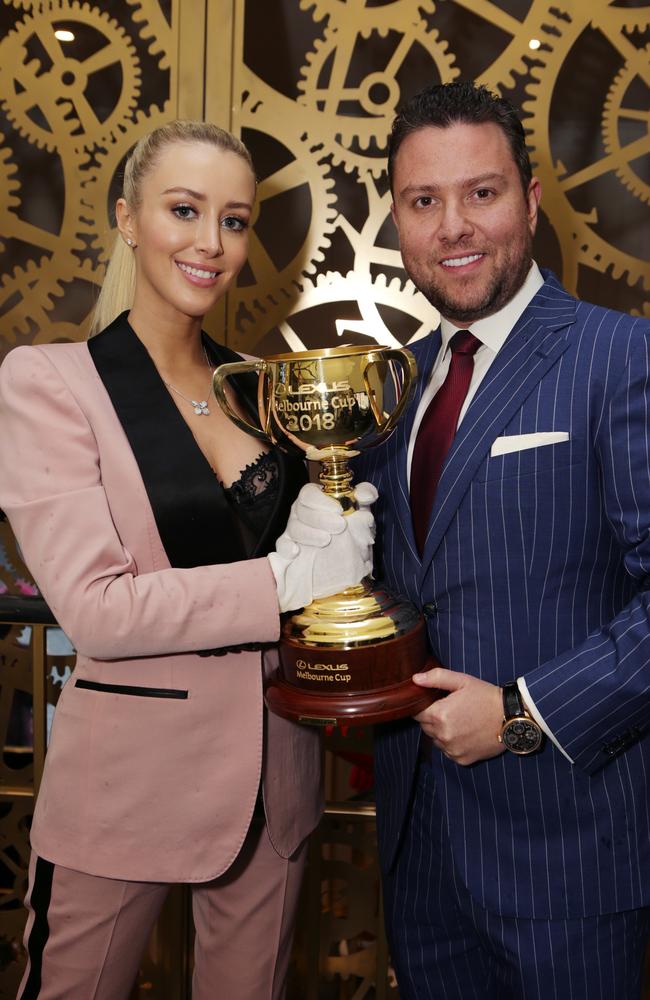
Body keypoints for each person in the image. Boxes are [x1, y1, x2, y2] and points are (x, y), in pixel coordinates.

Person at [0, 120, 375, 999]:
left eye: (236, 220)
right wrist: (284, 581)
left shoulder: (261, 387)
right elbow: (96, 609)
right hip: (122, 787)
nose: (211, 243)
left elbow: (312, 562)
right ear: (129, 220)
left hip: (273, 780)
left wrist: (343, 523)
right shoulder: (50, 381)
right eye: (184, 209)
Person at [351, 81, 650, 998]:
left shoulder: (621, 357)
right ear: (397, 219)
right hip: (421, 848)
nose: (454, 227)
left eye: (480, 193)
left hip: (570, 853)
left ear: (531, 196)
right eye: (424, 201)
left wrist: (524, 713)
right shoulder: (392, 388)